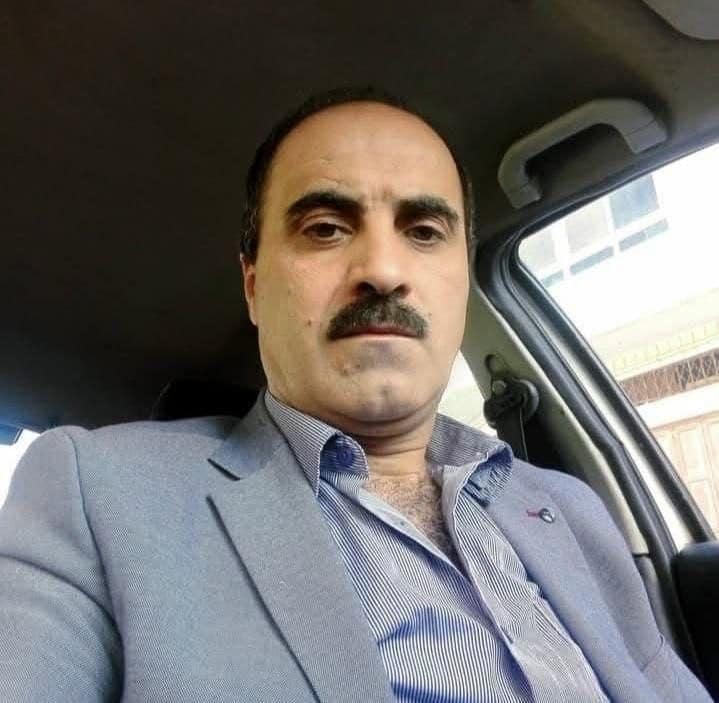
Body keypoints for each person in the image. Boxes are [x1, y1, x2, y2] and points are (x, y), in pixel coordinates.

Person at [0, 87, 712, 703]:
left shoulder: (569, 507)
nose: (382, 269)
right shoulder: (97, 495)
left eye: (424, 231)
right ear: (253, 285)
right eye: (325, 229)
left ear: (460, 280)